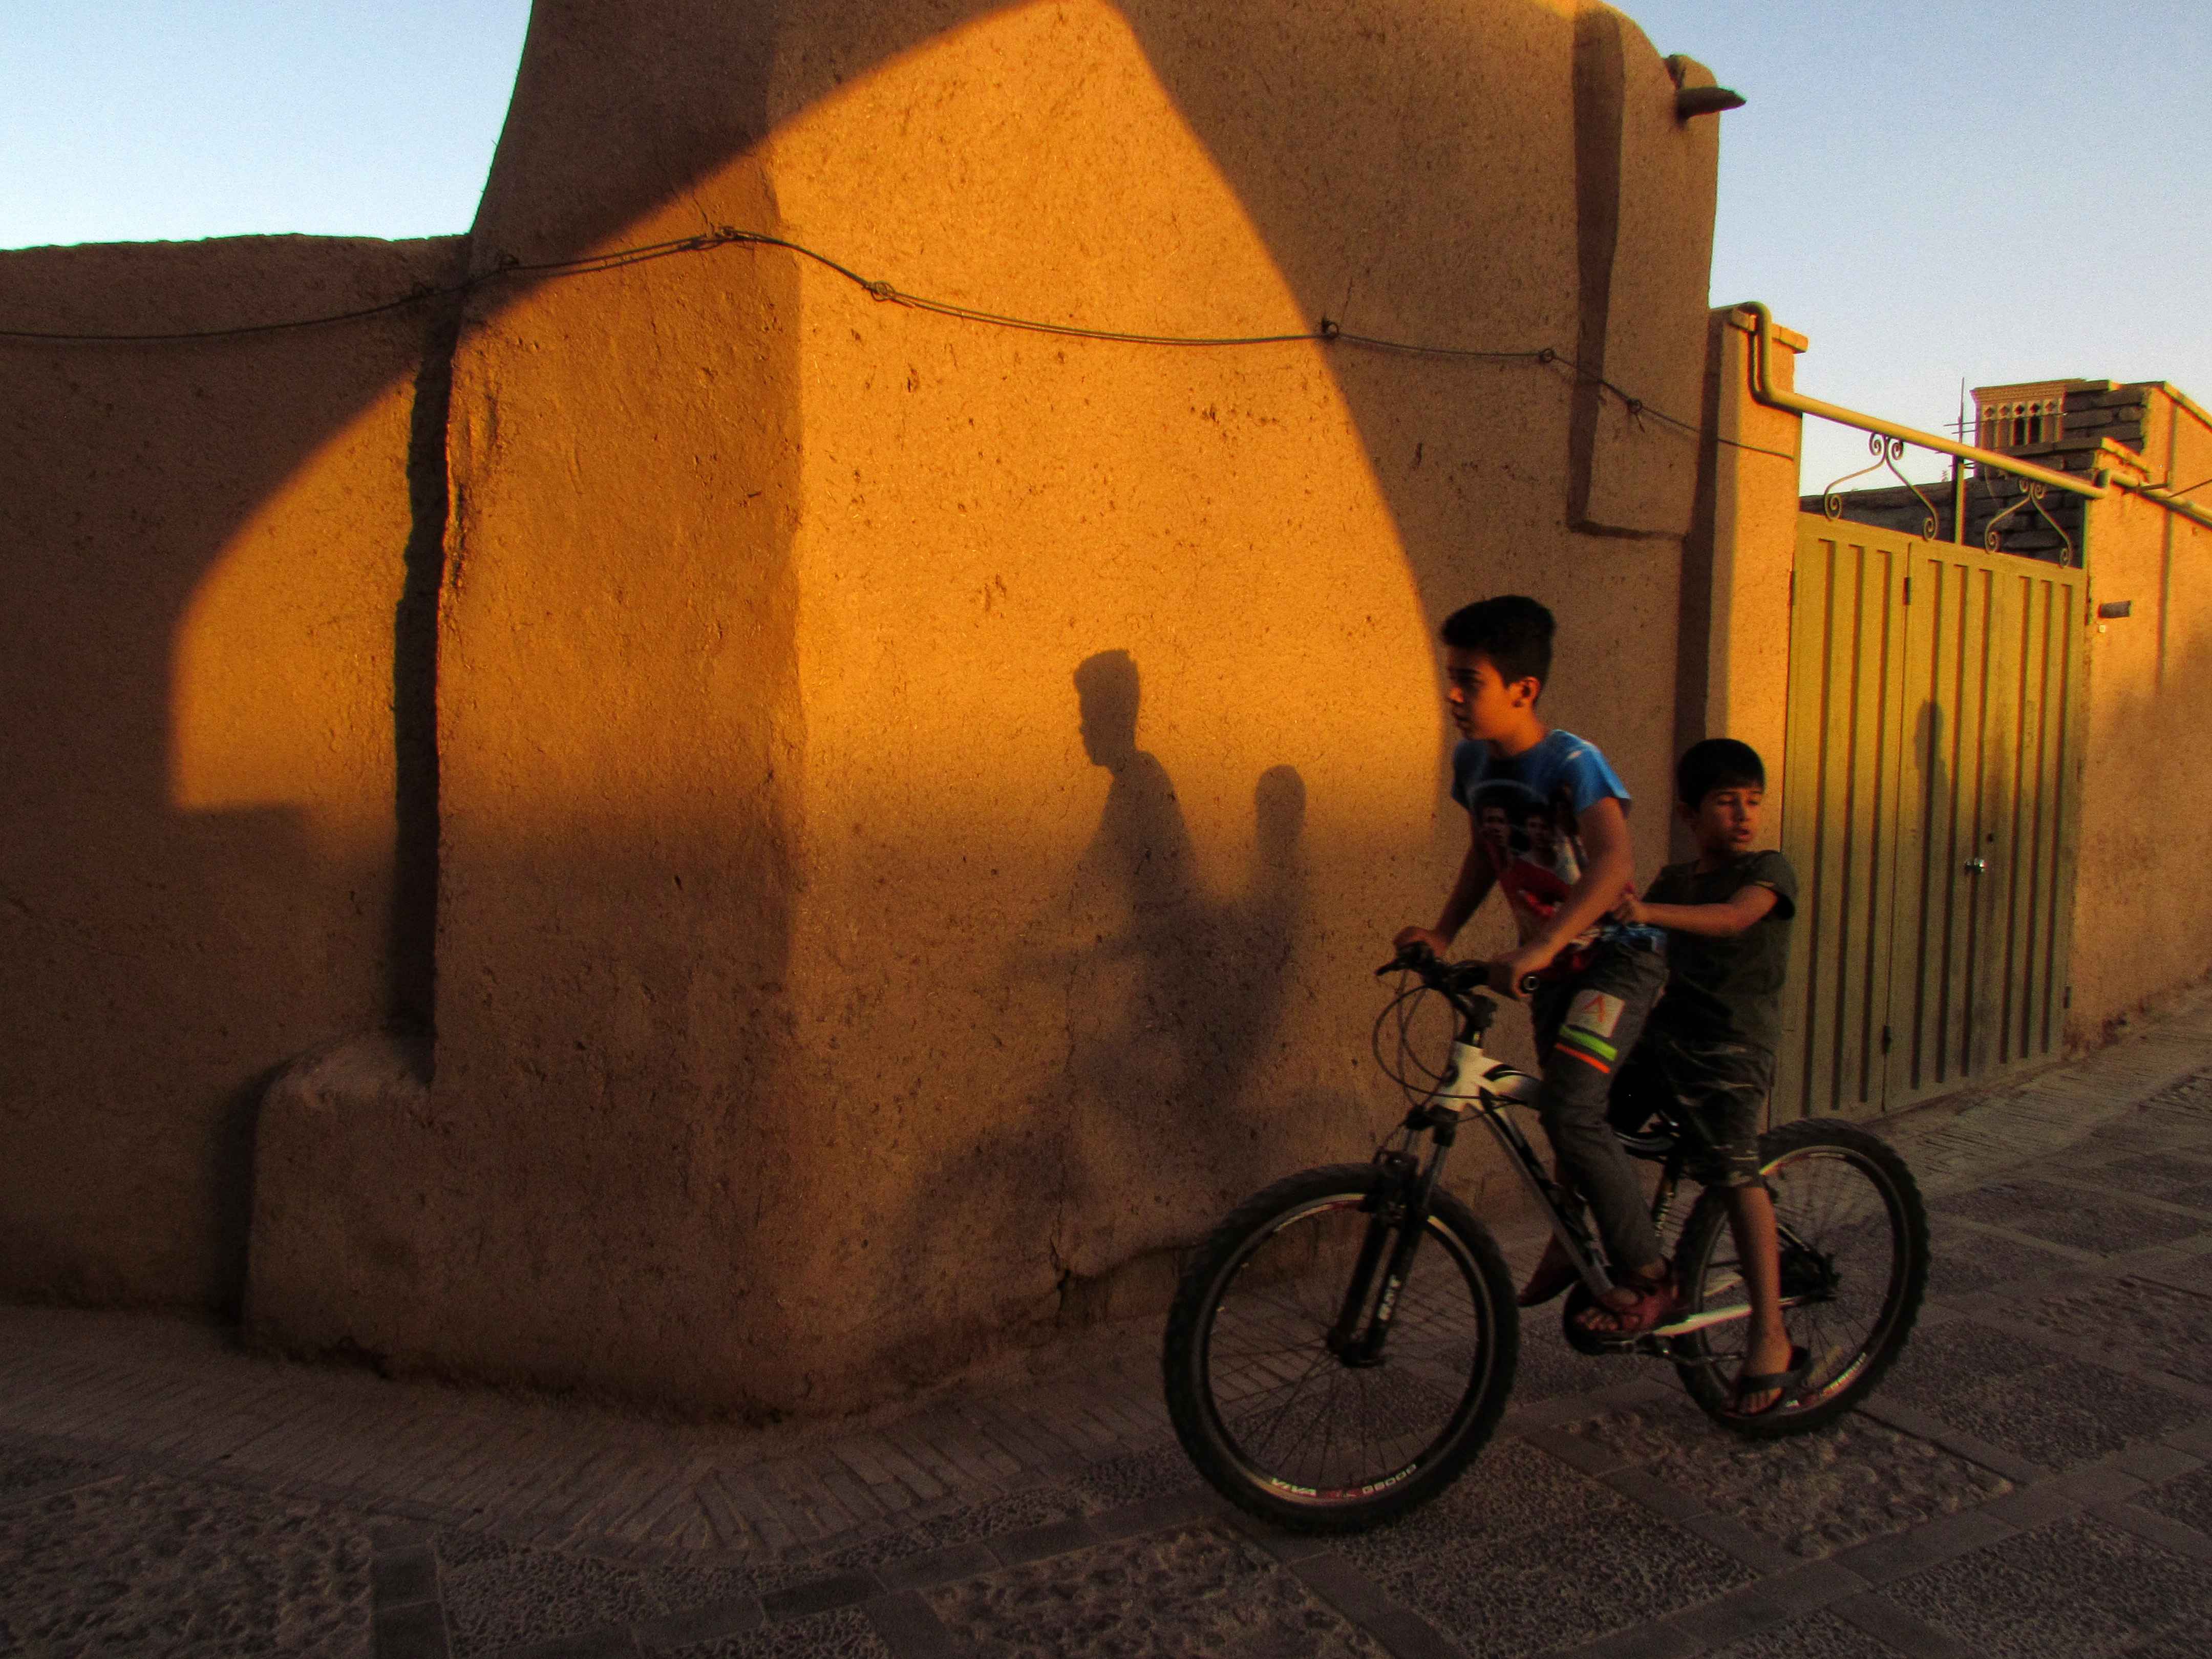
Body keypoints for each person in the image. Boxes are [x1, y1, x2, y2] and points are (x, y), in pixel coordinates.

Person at [1393, 596, 1674, 1337]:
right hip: (1553, 970)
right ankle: (1575, 1238)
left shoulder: (1573, 761)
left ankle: (1650, 1275)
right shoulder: (1472, 764)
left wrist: (1545, 945)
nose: (1452, 694)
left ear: (1524, 690)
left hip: (1616, 961)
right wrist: (1446, 932)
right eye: (1447, 677)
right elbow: (1489, 850)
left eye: (1470, 681)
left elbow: (1615, 864)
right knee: (1562, 1116)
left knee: (1572, 1107)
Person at [1610, 738, 1801, 1414]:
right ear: (1691, 814)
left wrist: (1647, 913)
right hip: (1670, 1040)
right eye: (1727, 803)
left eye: (1753, 801)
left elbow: (1731, 920)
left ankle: (1770, 1334)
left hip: (1732, 1050)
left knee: (1732, 1172)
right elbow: (1632, 941)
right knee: (1590, 1118)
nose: (1744, 816)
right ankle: (1599, 1259)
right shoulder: (1675, 881)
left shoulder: (1769, 872)